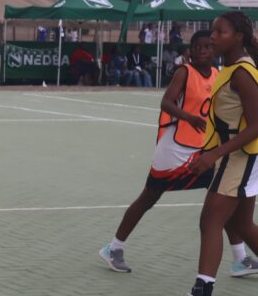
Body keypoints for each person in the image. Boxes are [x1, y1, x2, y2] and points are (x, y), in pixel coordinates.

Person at [101, 31, 258, 275]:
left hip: (202, 150)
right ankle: (114, 247)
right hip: (174, 149)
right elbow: (166, 102)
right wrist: (189, 117)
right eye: (198, 47)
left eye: (207, 46)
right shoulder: (184, 72)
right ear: (190, 51)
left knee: (223, 200)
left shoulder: (219, 74)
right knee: (149, 197)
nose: (203, 50)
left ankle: (240, 258)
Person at [160, 12, 258, 296]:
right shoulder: (230, 69)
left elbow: (256, 126)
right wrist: (208, 153)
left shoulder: (242, 73)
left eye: (221, 31)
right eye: (213, 31)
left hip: (239, 157)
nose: (213, 36)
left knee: (210, 221)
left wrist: (214, 154)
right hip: (236, 155)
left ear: (238, 37)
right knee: (242, 224)